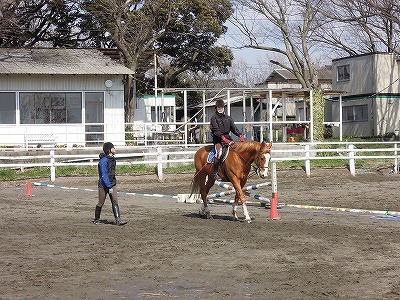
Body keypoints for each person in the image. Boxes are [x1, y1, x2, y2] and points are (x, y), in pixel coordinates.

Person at [210, 99, 245, 180]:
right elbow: (215, 130)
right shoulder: (213, 118)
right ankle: (215, 172)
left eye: (221, 107)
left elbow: (234, 128)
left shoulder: (228, 118)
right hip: (218, 140)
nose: (220, 109)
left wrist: (240, 135)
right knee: (219, 153)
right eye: (218, 107)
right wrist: (223, 138)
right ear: (216, 108)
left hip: (228, 140)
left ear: (223, 108)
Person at [93, 142, 127, 226]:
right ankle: (96, 219)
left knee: (115, 201)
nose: (115, 149)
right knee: (100, 202)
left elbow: (112, 173)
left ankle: (118, 219)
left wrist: (113, 184)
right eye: (113, 148)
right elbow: (104, 175)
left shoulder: (113, 159)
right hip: (103, 185)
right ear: (109, 150)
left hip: (112, 183)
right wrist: (109, 186)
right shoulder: (103, 161)